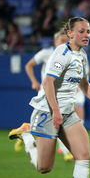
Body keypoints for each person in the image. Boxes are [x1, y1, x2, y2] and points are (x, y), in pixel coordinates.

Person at [8, 17, 90, 178]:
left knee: (84, 155)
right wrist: (55, 111)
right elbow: (47, 83)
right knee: (44, 167)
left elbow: (83, 84)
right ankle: (28, 137)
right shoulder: (61, 52)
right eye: (81, 31)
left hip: (67, 112)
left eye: (88, 31)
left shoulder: (82, 56)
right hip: (47, 111)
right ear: (70, 33)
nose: (86, 35)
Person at [22, 31, 74, 161]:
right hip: (47, 95)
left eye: (66, 40)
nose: (64, 43)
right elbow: (29, 65)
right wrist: (34, 81)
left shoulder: (69, 55)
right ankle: (66, 152)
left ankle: (27, 135)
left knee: (55, 127)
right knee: (58, 123)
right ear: (54, 41)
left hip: (61, 96)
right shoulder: (46, 53)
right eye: (61, 40)